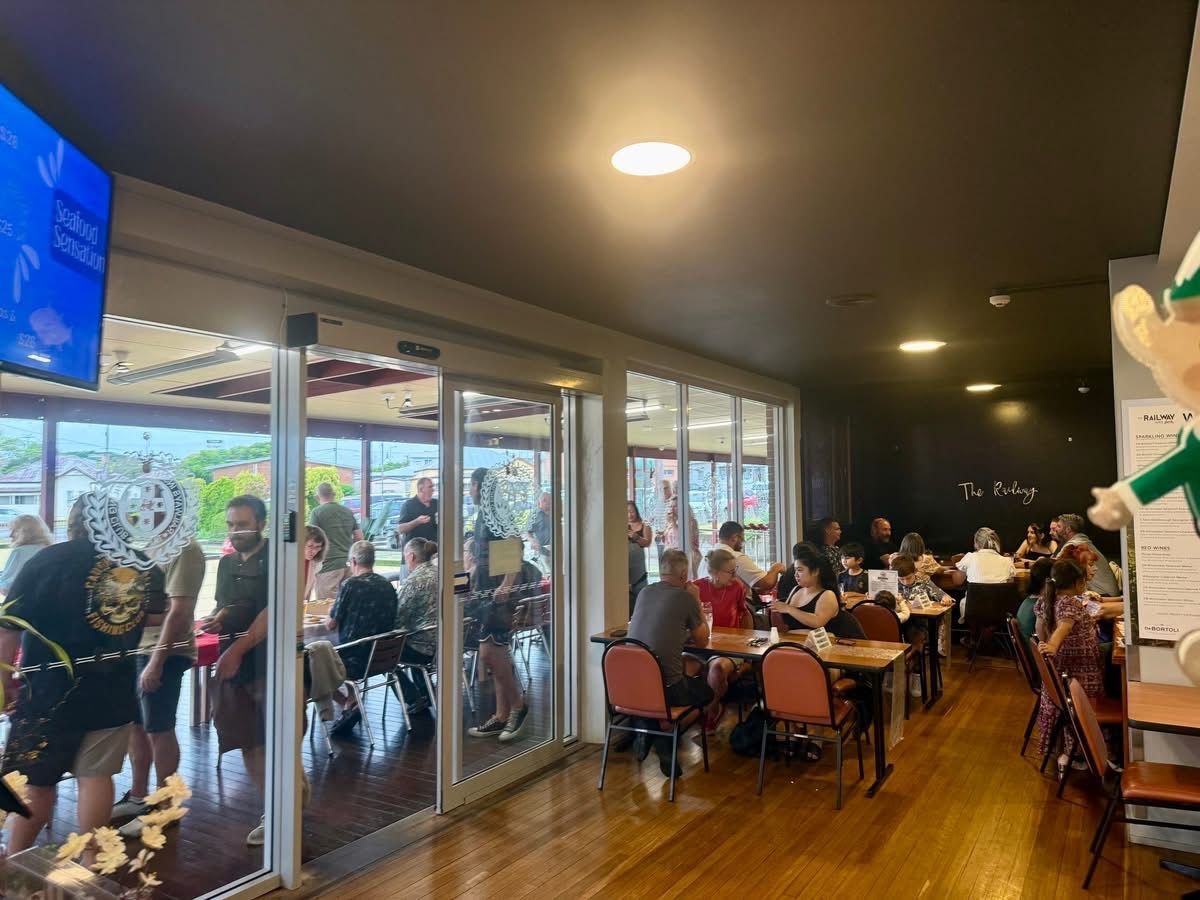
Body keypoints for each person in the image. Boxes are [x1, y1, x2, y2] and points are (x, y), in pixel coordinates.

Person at [0, 495, 158, 852]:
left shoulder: (47, 560)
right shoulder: (137, 562)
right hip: (113, 685)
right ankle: (89, 863)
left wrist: (4, 681)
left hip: (48, 689)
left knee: (36, 781)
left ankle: (16, 860)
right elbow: (155, 614)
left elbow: (8, 627)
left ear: (73, 522)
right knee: (96, 777)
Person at [113, 537, 205, 839]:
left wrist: (157, 660)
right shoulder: (146, 545)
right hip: (136, 647)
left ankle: (165, 806)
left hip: (162, 650)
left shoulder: (184, 548)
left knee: (159, 728)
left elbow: (179, 611)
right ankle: (138, 796)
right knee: (137, 726)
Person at [204, 495, 271, 847]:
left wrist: (238, 650)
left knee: (275, 740)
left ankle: (283, 811)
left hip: (267, 661)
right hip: (233, 664)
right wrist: (218, 619)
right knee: (247, 740)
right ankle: (271, 811)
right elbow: (226, 605)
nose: (236, 531)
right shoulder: (226, 564)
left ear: (261, 523)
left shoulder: (277, 557)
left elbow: (272, 612)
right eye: (231, 525)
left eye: (242, 525)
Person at [627, 548, 714, 774]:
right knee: (708, 692)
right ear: (684, 574)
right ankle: (665, 733)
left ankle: (650, 727)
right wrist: (696, 599)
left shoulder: (644, 592)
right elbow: (702, 641)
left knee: (683, 667)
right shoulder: (685, 597)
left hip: (631, 688)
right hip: (667, 688)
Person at [464, 467, 528, 744]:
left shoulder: (498, 513)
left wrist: (507, 583)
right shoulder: (484, 514)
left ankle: (518, 705)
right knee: (498, 653)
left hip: (499, 593)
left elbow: (515, 545)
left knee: (489, 653)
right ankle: (501, 715)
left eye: (471, 485)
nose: (469, 491)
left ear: (480, 486)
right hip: (486, 590)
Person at [1035, 557, 1105, 765]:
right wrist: (1052, 645)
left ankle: (1070, 749)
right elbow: (1064, 627)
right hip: (1080, 670)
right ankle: (1087, 750)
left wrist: (1045, 643)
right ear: (1077, 583)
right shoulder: (1070, 603)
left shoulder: (1047, 600)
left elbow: (1040, 628)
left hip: (1063, 668)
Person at [327, 541, 400, 736]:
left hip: (354, 659)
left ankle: (348, 703)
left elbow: (331, 624)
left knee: (313, 664)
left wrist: (328, 615)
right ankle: (351, 703)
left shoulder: (351, 585)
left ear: (353, 561)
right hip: (383, 658)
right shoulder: (387, 585)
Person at [691, 546, 752, 733]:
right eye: (731, 572)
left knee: (717, 668)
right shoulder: (696, 588)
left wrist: (748, 647)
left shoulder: (737, 587)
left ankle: (712, 708)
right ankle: (688, 711)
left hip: (729, 645)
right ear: (715, 572)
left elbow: (744, 614)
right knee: (683, 667)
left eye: (735, 570)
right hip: (701, 644)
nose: (735, 575)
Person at [769, 545, 865, 639]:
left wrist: (789, 609)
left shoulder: (827, 595)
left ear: (815, 571)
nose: (796, 575)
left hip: (829, 646)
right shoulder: (796, 589)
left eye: (800, 570)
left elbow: (817, 622)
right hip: (797, 643)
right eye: (795, 570)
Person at [393, 537, 438, 712]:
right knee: (413, 638)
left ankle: (413, 698)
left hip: (423, 647)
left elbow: (399, 618)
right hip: (445, 643)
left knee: (379, 657)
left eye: (405, 555)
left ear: (411, 556)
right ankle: (426, 693)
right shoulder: (441, 573)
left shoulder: (414, 581)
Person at [309, 482, 364, 600]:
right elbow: (359, 537)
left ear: (317, 497)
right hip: (349, 564)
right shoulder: (347, 512)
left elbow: (311, 537)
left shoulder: (317, 512)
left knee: (326, 606)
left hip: (328, 565)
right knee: (347, 604)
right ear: (333, 495)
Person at [1051, 513, 1119, 596]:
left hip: (1103, 594)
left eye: (1059, 526)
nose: (1055, 530)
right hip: (1103, 592)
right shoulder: (1079, 541)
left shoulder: (1075, 544)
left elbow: (1054, 567)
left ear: (1068, 530)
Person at [717, 520, 785, 601]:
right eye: (742, 538)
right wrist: (776, 567)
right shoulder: (735, 557)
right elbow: (767, 583)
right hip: (737, 606)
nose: (743, 542)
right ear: (735, 538)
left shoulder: (708, 556)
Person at [0, 513, 52, 596]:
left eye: (15, 531)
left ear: (26, 532)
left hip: (25, 600)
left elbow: (6, 588)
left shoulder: (20, 552)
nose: (10, 535)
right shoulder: (49, 549)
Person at [1017, 557, 1053, 641]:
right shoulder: (1042, 606)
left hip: (1030, 646)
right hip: (1037, 648)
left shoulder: (1028, 600)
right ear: (1048, 581)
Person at [396, 476, 438, 550]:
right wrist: (417, 521)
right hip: (414, 551)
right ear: (421, 489)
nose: (433, 489)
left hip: (433, 550)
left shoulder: (437, 503)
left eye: (433, 487)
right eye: (430, 487)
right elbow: (401, 529)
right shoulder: (408, 505)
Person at [627, 501, 652, 615]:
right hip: (626, 569)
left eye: (632, 511)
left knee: (642, 601)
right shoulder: (621, 525)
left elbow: (647, 542)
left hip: (640, 571)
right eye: (627, 512)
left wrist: (636, 537)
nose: (630, 515)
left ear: (636, 511)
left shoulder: (644, 525)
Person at [302, 525, 327, 603]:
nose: (313, 551)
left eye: (317, 547)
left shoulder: (316, 563)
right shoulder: (289, 561)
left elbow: (307, 592)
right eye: (310, 546)